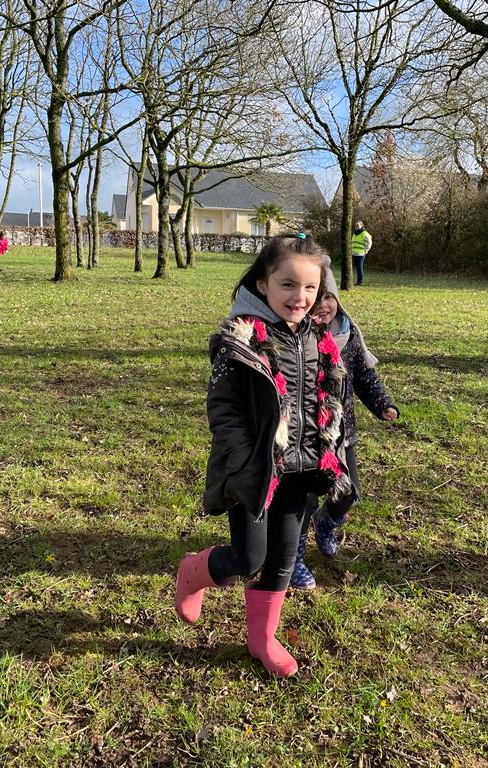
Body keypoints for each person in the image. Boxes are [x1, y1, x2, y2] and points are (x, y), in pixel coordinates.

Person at [174, 234, 354, 678]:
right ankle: (195, 570)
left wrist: (333, 451)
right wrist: (241, 457)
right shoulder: (241, 339)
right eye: (287, 284)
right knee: (249, 558)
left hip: (303, 471)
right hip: (256, 471)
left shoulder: (320, 339)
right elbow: (223, 407)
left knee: (282, 562)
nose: (300, 297)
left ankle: (262, 640)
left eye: (310, 287)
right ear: (262, 284)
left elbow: (332, 399)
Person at [291, 267, 398, 589]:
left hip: (342, 434)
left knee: (348, 492)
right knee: (303, 500)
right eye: (316, 299)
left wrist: (383, 404)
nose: (322, 305)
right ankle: (293, 557)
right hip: (307, 436)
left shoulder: (348, 335)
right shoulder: (297, 337)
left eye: (328, 297)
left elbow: (364, 377)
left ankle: (325, 522)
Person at [350, 220, 372, 286]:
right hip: (353, 253)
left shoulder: (364, 233)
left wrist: (366, 250)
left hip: (360, 254)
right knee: (354, 268)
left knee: (359, 268)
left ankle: (359, 282)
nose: (356, 226)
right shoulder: (355, 234)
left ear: (362, 225)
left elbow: (369, 242)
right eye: (355, 225)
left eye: (358, 225)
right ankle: (353, 281)